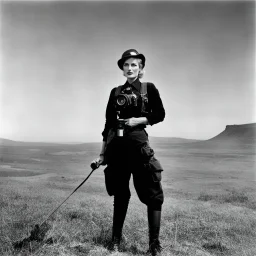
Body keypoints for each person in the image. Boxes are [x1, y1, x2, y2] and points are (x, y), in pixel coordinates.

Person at [92, 49, 165, 256]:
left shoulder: (148, 88)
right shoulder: (115, 92)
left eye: (134, 65)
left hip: (139, 147)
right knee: (121, 194)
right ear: (122, 69)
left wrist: (139, 120)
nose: (130, 68)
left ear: (140, 68)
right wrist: (102, 154)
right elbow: (107, 125)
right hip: (117, 149)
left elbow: (160, 114)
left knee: (153, 194)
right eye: (126, 65)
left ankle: (154, 244)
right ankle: (115, 242)